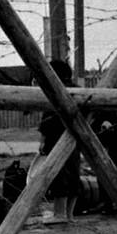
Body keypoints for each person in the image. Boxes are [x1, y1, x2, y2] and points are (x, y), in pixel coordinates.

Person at [38, 58, 81, 225]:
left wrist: (42, 140)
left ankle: (59, 214)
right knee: (74, 174)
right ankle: (69, 215)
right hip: (76, 136)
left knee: (58, 175)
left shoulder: (54, 90)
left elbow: (47, 120)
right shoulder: (77, 90)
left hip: (55, 137)